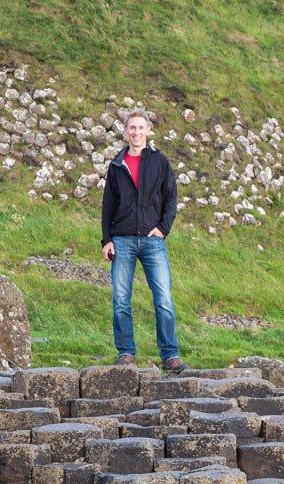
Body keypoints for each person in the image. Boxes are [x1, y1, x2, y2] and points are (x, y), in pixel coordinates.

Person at [101, 107, 186, 371]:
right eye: (132, 128)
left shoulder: (160, 162)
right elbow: (108, 205)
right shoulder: (116, 166)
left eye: (141, 128)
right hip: (123, 240)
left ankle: (170, 355)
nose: (136, 132)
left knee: (163, 299)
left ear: (148, 131)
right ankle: (126, 352)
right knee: (121, 300)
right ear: (125, 132)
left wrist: (163, 228)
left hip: (152, 241)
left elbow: (171, 197)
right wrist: (107, 240)